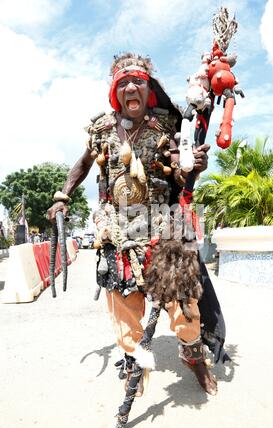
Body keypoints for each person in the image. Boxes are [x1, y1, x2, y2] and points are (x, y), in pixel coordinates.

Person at [47, 53, 229, 406]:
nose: (132, 87)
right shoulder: (101, 129)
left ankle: (192, 354)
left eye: (139, 82)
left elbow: (181, 167)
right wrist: (63, 196)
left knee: (183, 302)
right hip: (116, 228)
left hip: (163, 225)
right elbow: (83, 164)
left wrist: (192, 167)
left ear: (148, 89)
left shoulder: (166, 124)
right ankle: (134, 363)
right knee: (124, 303)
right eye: (124, 83)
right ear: (115, 91)